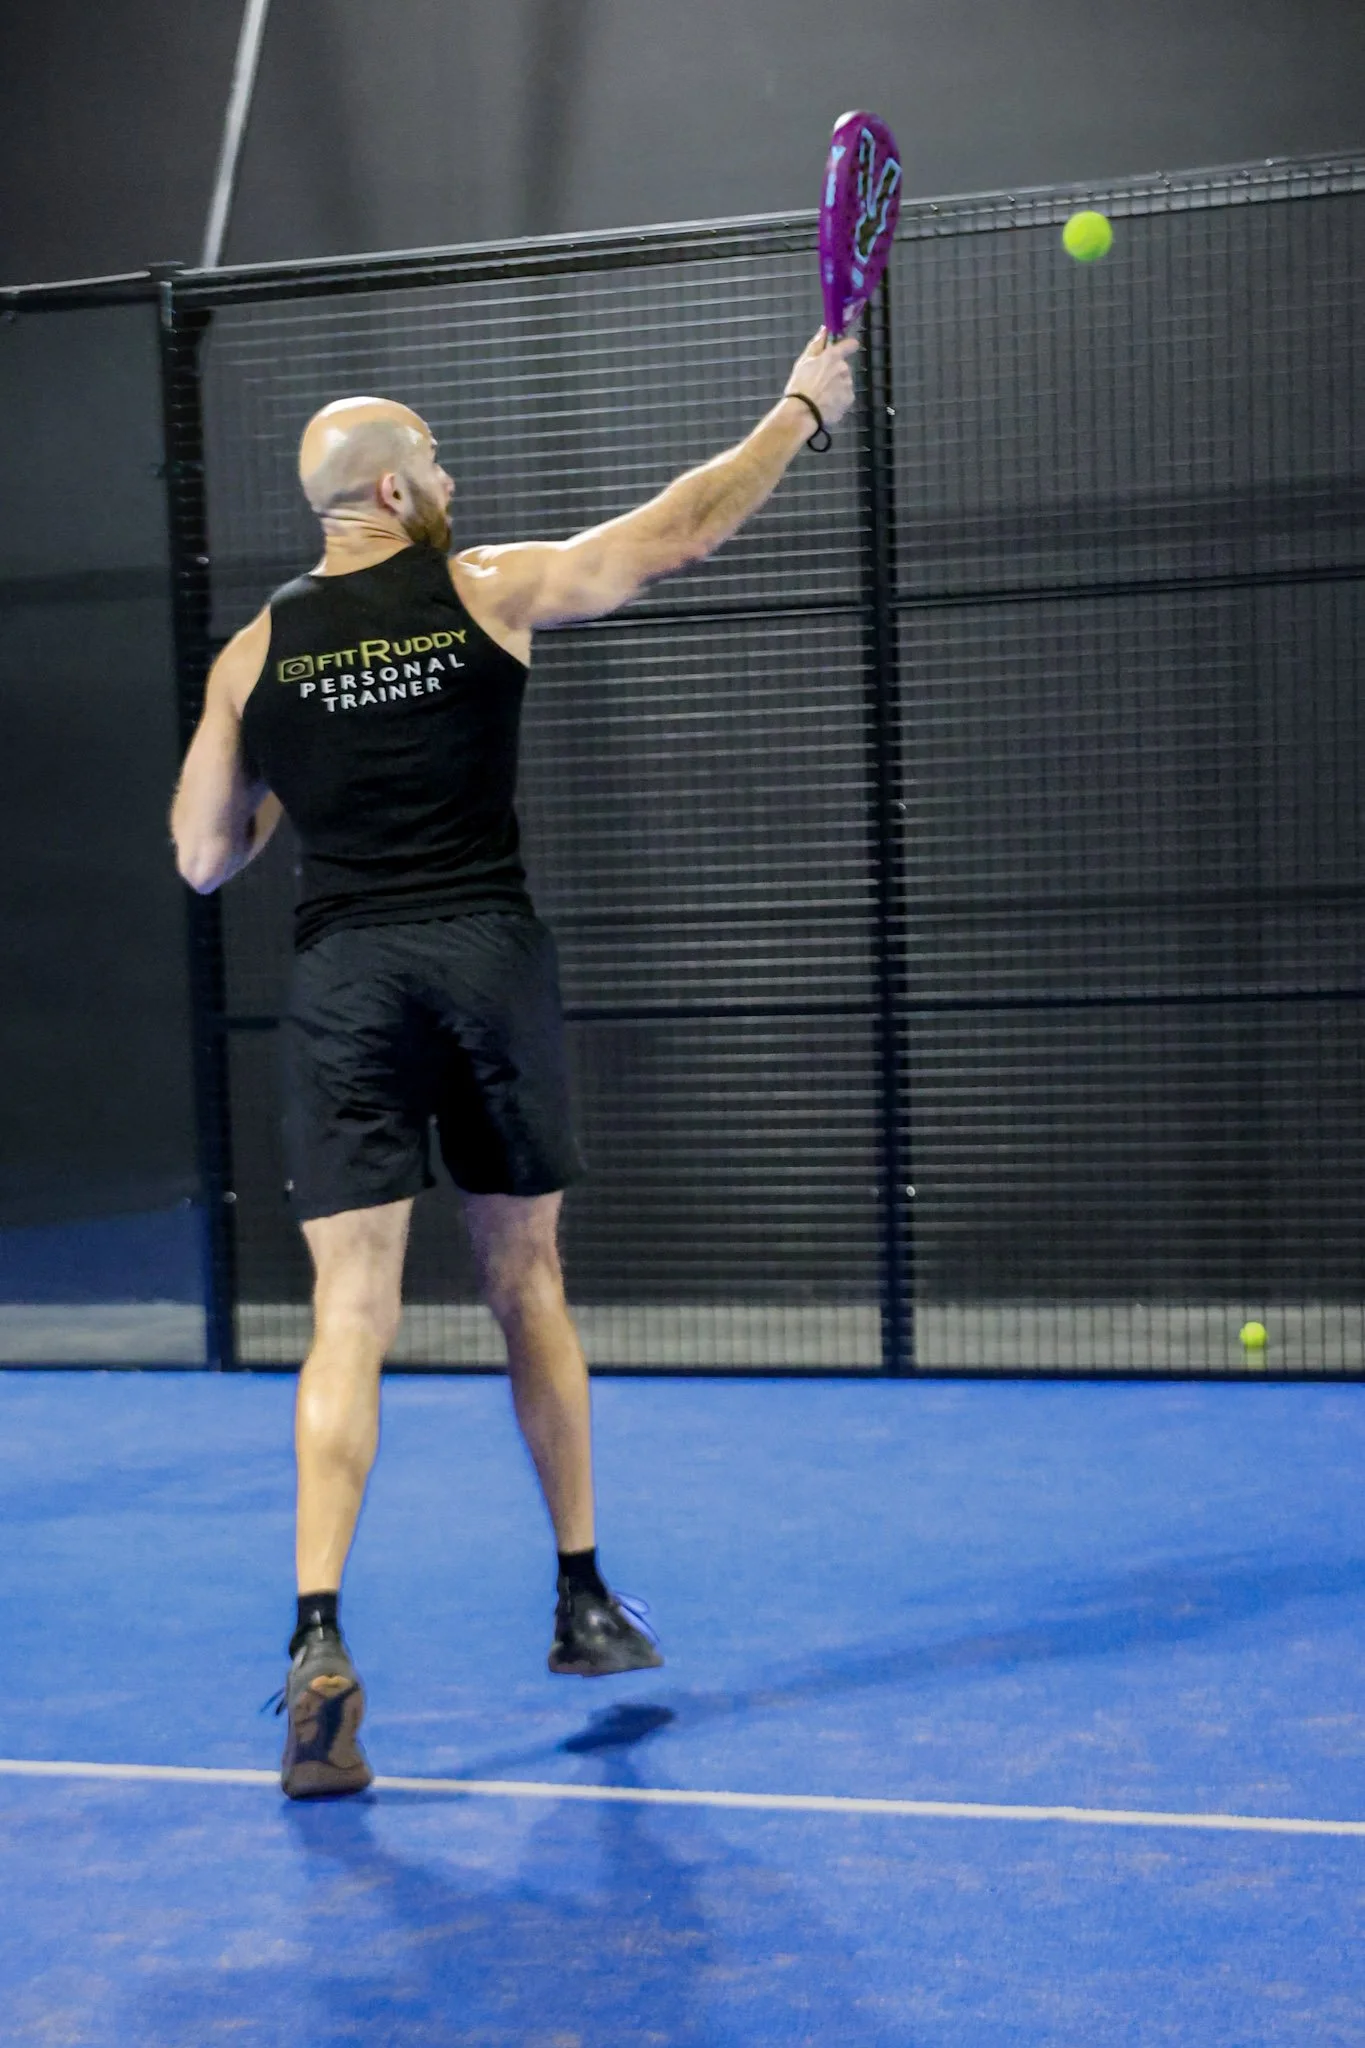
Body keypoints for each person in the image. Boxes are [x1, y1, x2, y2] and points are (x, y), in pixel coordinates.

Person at [170, 325, 859, 1798]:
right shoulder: (483, 588)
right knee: (525, 1280)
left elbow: (201, 857)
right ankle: (585, 1599)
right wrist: (804, 406)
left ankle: (315, 1637)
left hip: (345, 978)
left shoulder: (253, 653)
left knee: (348, 1307)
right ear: (406, 496)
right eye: (440, 462)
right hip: (486, 959)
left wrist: (299, 771)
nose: (456, 478)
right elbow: (673, 533)